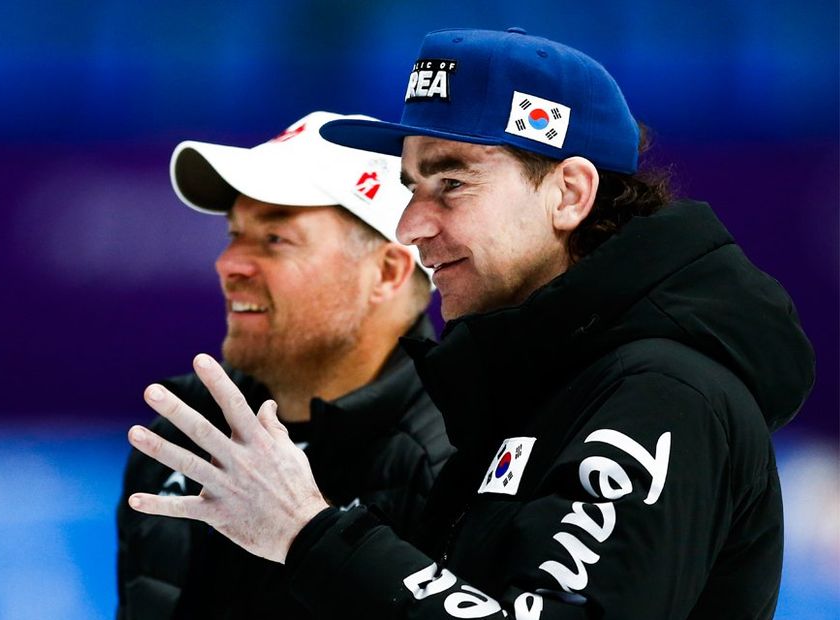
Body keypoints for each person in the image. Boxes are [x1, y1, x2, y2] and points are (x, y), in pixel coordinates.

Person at [125, 29, 816, 619]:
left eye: (450, 183)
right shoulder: (542, 387)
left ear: (569, 194)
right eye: (412, 186)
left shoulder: (664, 397)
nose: (410, 225)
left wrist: (310, 532)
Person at [116, 111, 453, 619]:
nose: (229, 264)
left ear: (386, 272)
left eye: (275, 239)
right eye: (235, 234)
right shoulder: (182, 436)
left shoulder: (463, 458)